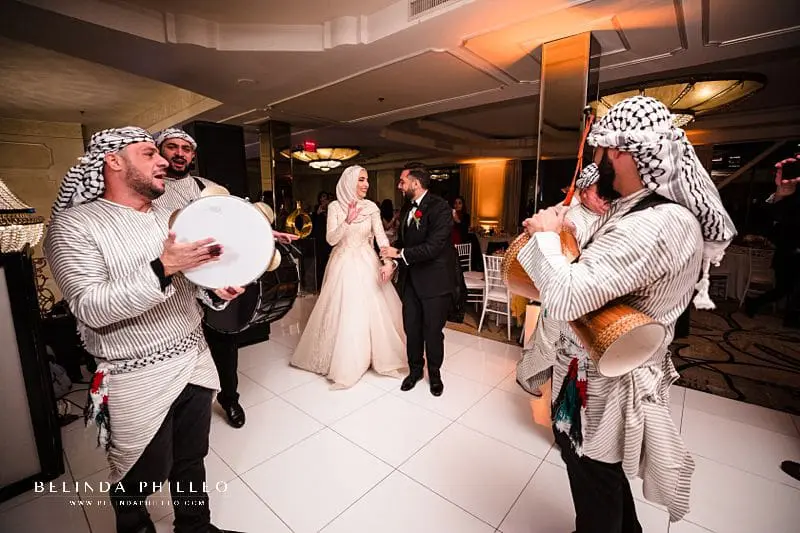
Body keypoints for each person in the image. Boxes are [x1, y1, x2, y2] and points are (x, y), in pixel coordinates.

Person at [518, 96, 735, 531]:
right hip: (593, 371)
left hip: (608, 382)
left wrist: (543, 237)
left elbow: (565, 296)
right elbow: (606, 252)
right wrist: (572, 227)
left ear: (620, 151)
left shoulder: (659, 223)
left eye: (600, 151)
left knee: (593, 483)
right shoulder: (637, 209)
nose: (596, 162)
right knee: (600, 477)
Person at [44, 127, 246, 533]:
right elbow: (90, 306)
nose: (162, 161)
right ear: (113, 161)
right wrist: (163, 266)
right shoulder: (73, 227)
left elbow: (191, 286)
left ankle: (195, 526)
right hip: (135, 376)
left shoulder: (167, 218)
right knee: (141, 475)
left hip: (195, 360)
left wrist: (216, 290)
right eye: (149, 153)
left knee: (192, 458)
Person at [153, 127, 297, 429]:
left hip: (217, 280)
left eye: (186, 149)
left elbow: (237, 223)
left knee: (225, 343)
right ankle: (181, 411)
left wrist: (267, 234)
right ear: (160, 151)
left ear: (193, 155)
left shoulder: (209, 187)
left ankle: (229, 398)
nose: (180, 153)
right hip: (175, 286)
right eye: (172, 147)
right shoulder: (151, 191)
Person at [290, 165, 407, 388]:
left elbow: (382, 238)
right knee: (346, 311)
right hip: (342, 263)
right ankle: (347, 360)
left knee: (373, 311)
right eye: (361, 180)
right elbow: (331, 239)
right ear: (349, 181)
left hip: (366, 261)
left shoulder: (371, 207)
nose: (366, 184)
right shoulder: (335, 206)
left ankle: (375, 355)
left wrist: (388, 262)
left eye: (366, 180)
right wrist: (348, 221)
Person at [516, 163, 609, 396]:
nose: (606, 199)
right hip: (561, 292)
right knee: (548, 346)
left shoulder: (609, 214)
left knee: (578, 353)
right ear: (584, 192)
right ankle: (524, 374)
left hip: (586, 297)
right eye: (601, 193)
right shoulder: (571, 216)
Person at [381, 167, 454, 397]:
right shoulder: (406, 208)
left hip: (435, 281)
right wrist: (393, 261)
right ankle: (415, 371)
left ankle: (434, 374)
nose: (399, 186)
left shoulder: (440, 208)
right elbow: (403, 240)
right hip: (411, 280)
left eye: (402, 181)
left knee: (433, 331)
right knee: (411, 328)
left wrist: (399, 254)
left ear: (415, 183)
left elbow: (433, 247)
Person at [745, 153, 800, 327]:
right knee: (785, 289)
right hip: (788, 255)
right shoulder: (791, 201)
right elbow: (775, 216)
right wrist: (779, 195)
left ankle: (789, 317)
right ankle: (755, 304)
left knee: (789, 289)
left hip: (790, 254)